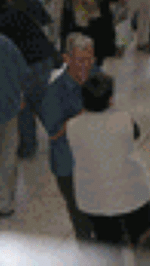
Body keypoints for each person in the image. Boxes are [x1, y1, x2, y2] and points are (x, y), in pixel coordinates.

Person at [67, 72, 150, 246]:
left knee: (108, 246)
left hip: (95, 201)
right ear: (111, 99)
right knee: (143, 244)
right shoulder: (123, 120)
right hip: (133, 195)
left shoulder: (72, 126)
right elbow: (135, 132)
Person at [41, 33, 101, 240]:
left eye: (90, 59)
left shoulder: (96, 75)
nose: (86, 66)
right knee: (81, 218)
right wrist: (80, 116)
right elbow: (54, 132)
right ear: (66, 59)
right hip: (69, 167)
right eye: (80, 60)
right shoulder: (53, 92)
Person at [0, 0, 59, 161]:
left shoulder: (3, 20)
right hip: (44, 56)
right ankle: (59, 134)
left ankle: (28, 146)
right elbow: (45, 19)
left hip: (31, 63)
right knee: (39, 100)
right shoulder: (19, 6)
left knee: (25, 106)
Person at [0, 34, 24, 218]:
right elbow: (23, 71)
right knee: (8, 155)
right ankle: (5, 203)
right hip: (8, 107)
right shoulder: (6, 43)